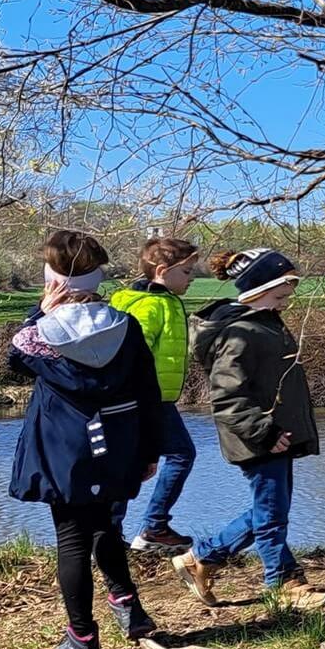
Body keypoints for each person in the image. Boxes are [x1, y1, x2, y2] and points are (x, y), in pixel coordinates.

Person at [9, 230, 164, 649]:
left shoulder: (39, 333)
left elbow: (14, 359)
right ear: (97, 279)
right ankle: (128, 605)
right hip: (119, 443)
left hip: (65, 449)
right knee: (106, 528)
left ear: (52, 280)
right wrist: (151, 449)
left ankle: (81, 640)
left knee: (73, 539)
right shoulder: (125, 325)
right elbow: (148, 392)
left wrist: (39, 311)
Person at [171, 248, 325, 609]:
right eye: (279, 297)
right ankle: (282, 585)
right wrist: (265, 433)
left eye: (286, 297)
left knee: (269, 510)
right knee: (272, 515)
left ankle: (203, 558)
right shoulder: (240, 332)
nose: (285, 304)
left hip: (276, 435)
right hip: (259, 438)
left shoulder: (264, 323)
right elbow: (226, 397)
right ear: (255, 292)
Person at [109, 236, 201, 553]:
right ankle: (153, 527)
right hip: (148, 399)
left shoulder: (140, 299)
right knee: (181, 454)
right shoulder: (151, 305)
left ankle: (110, 536)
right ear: (162, 270)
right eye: (187, 272)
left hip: (145, 399)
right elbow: (132, 350)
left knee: (128, 463)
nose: (192, 278)